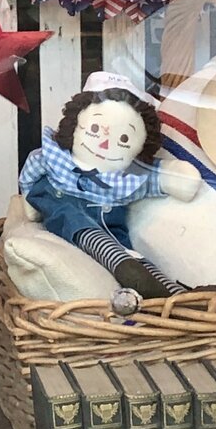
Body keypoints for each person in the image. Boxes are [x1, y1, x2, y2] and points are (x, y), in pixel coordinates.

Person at [17, 70, 200, 296]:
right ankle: (122, 266)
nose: (104, 143)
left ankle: (178, 296)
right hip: (64, 206)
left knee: (132, 254)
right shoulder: (57, 159)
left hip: (110, 224)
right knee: (78, 222)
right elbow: (32, 169)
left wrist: (171, 177)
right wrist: (29, 199)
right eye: (95, 129)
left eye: (124, 139)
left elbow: (153, 179)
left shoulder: (126, 179)